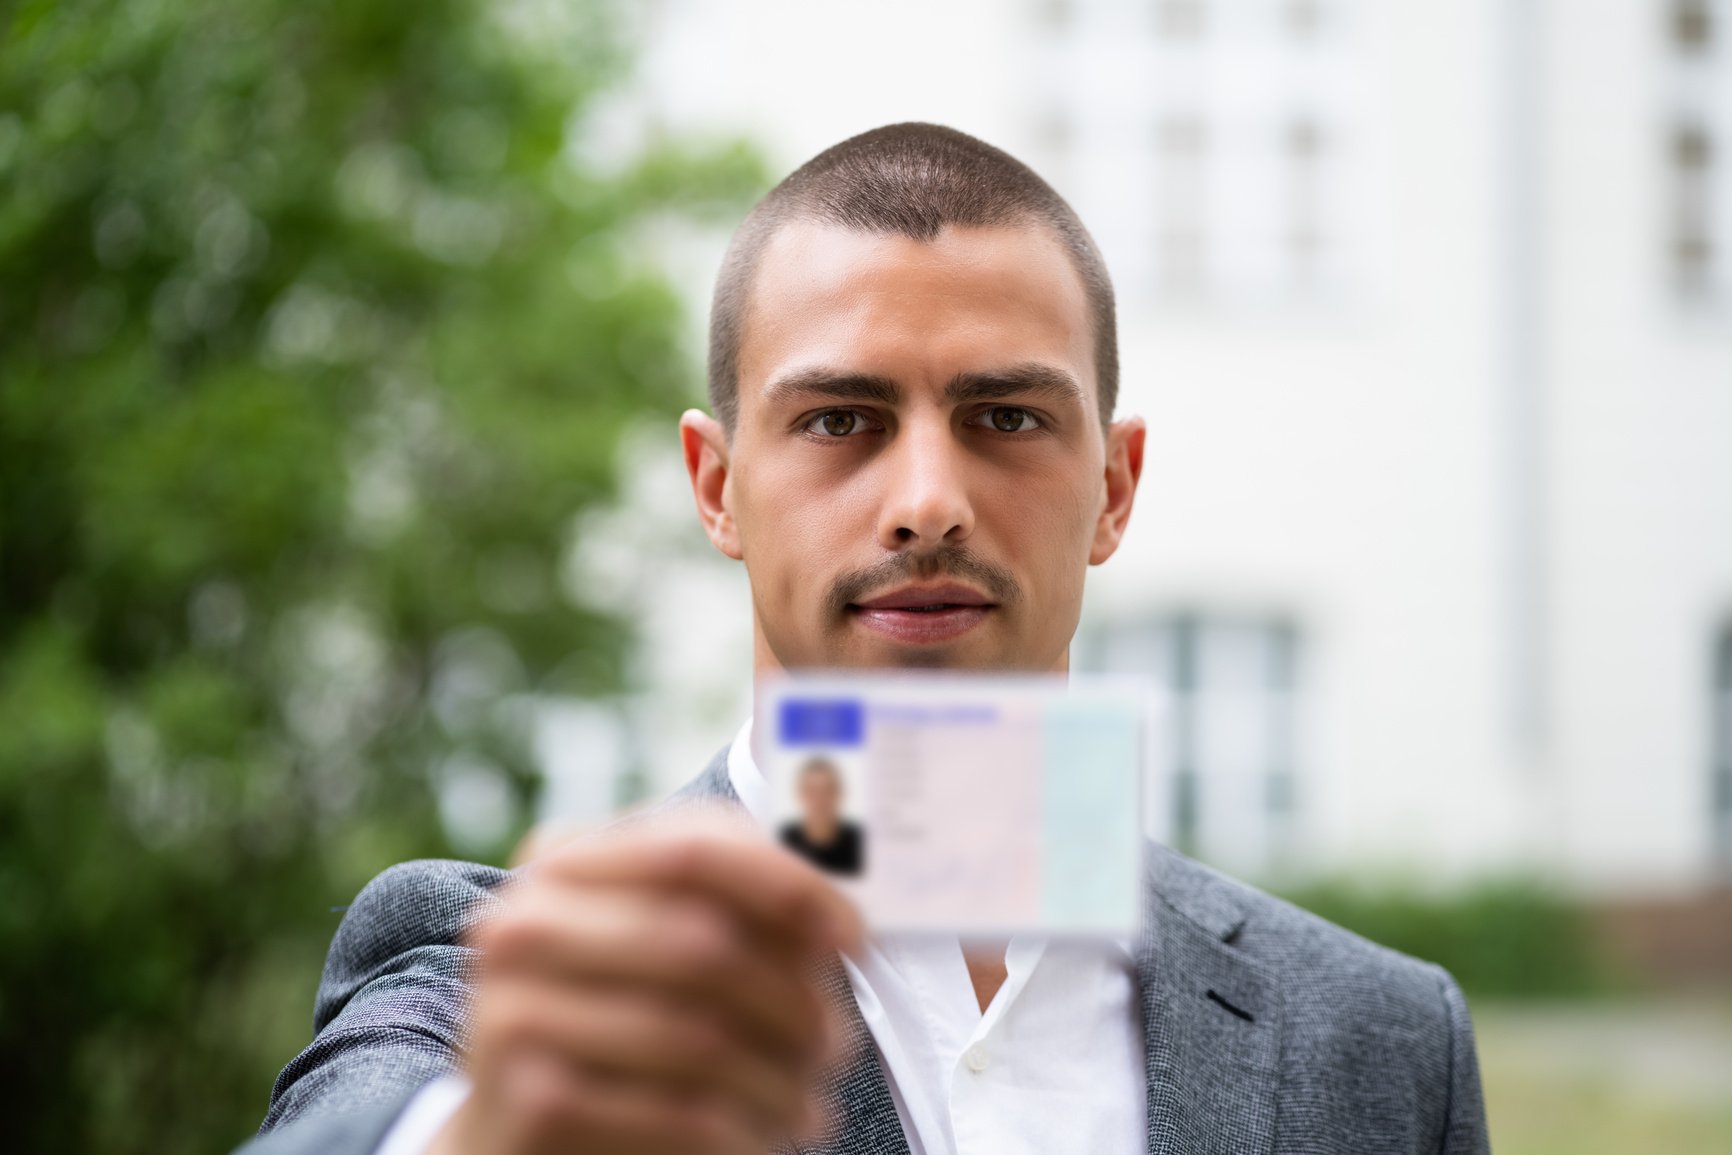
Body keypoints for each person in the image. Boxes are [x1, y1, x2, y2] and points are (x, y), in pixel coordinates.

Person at [242, 123, 1489, 1155]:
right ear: (716, 486)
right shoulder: (508, 976)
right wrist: (484, 1131)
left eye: (1004, 415)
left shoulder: (1381, 1040)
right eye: (842, 420)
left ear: (1114, 488)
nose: (928, 500)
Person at [778, 758, 864, 875]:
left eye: (827, 790)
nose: (819, 799)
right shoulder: (786, 839)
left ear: (839, 793)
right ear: (800, 794)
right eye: (812, 791)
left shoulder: (857, 839)